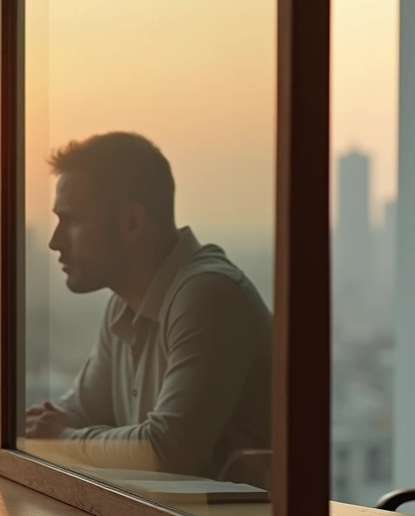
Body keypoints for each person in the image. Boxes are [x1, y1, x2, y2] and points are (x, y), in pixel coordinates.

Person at [25, 132, 271, 483]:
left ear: (132, 223)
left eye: (73, 221)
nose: (55, 241)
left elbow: (165, 452)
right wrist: (43, 431)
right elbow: (77, 412)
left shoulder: (209, 295)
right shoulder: (123, 306)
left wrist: (62, 440)